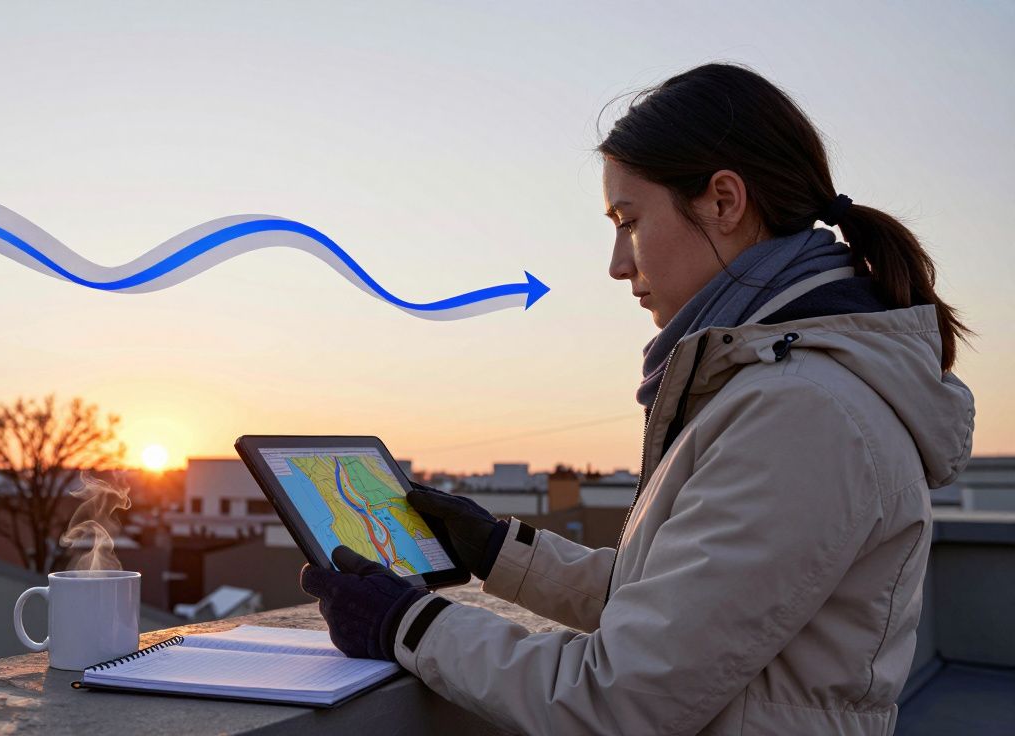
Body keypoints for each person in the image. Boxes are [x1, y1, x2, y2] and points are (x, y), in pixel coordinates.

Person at [299, 62, 975, 735]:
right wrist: (499, 551)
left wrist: (406, 623)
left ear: (723, 202)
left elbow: (622, 700)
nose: (618, 264)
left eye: (628, 220)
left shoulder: (803, 411)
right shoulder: (794, 388)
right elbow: (680, 610)